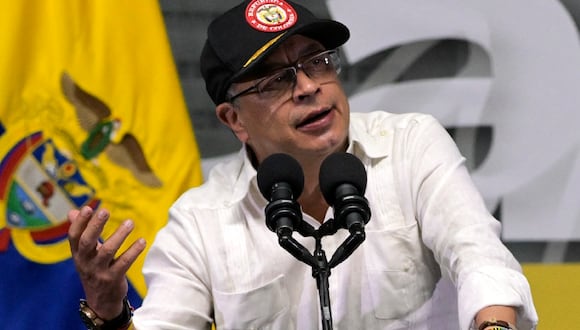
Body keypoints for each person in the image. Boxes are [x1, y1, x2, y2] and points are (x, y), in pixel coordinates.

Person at [67, 0, 538, 329]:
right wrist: (111, 316)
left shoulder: (411, 146)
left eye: (317, 62)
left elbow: (477, 254)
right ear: (234, 120)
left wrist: (494, 325)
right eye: (274, 81)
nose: (309, 86)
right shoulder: (200, 223)